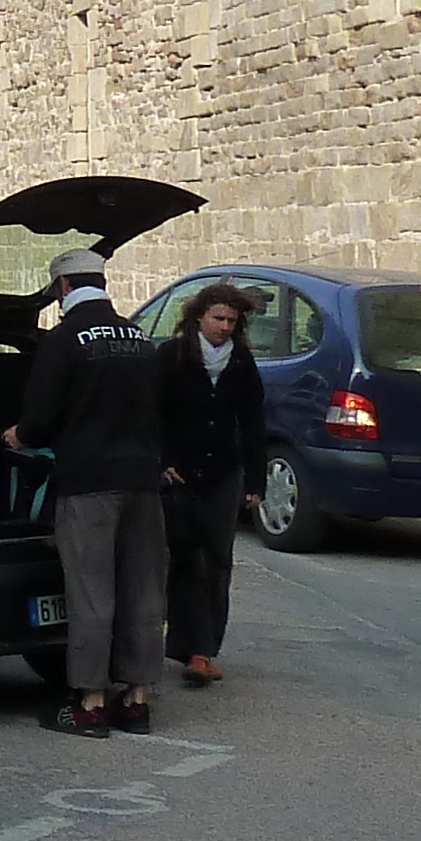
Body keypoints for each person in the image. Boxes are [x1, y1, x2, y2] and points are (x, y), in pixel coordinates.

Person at [3, 246, 168, 735]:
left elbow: (40, 417)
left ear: (62, 288)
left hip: (89, 483)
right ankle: (137, 699)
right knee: (144, 589)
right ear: (102, 281)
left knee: (92, 592)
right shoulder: (140, 338)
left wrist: (19, 437)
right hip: (142, 480)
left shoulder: (64, 340)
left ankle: (91, 703)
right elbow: (162, 410)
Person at [159, 281, 267, 684]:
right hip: (178, 475)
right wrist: (164, 462)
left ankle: (203, 651)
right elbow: (153, 413)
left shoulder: (240, 362)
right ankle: (175, 643)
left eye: (231, 321)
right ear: (198, 317)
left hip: (223, 474)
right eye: (218, 318)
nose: (224, 327)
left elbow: (254, 421)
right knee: (181, 559)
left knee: (216, 561)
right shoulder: (172, 357)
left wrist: (256, 480)